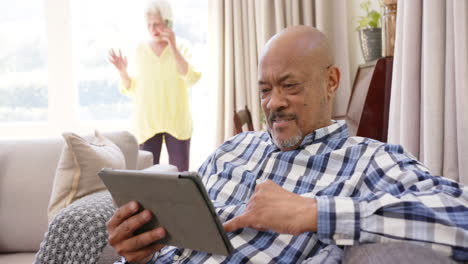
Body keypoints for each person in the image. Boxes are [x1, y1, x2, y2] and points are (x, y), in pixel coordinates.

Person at [107, 26, 468, 263]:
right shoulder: (229, 152)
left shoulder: (368, 160)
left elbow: (461, 215)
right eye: (265, 89)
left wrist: (313, 212)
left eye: (290, 86)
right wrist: (140, 253)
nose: (272, 103)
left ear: (331, 81)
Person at [109, 0, 201, 172]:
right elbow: (132, 88)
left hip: (177, 122)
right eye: (149, 25)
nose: (153, 29)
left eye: (157, 24)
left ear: (168, 22)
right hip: (147, 124)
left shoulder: (182, 47)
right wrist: (122, 71)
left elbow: (191, 78)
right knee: (148, 181)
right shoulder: (140, 50)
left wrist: (173, 46)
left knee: (180, 180)